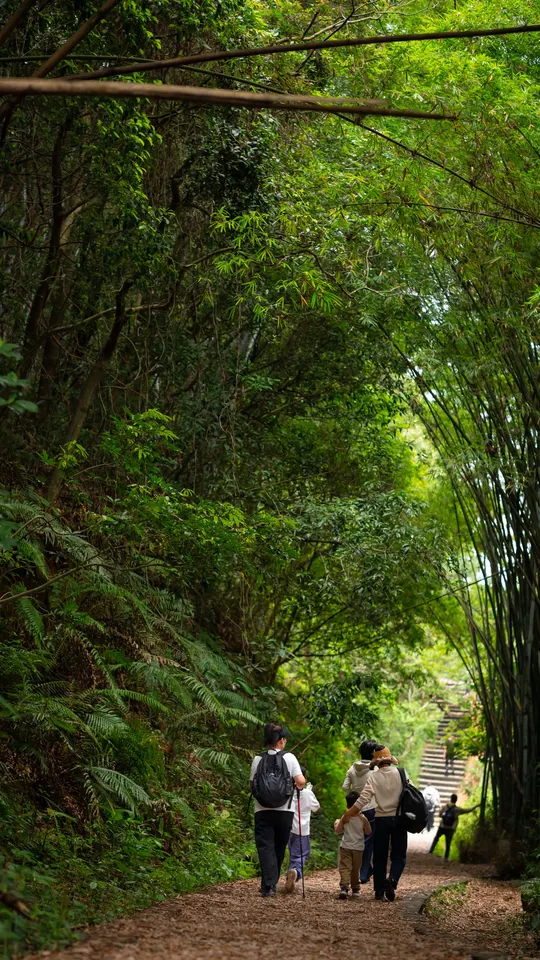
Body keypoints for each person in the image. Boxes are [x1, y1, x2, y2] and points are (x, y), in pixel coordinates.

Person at [342, 745, 406, 902]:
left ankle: (379, 891)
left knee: (379, 856)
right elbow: (410, 793)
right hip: (399, 819)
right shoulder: (401, 773)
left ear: (376, 761)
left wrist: (348, 813)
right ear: (390, 760)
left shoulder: (374, 776)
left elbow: (363, 799)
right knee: (399, 855)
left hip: (381, 819)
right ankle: (392, 880)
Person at [250, 722, 305, 897]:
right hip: (285, 810)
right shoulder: (290, 758)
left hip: (262, 810)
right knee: (279, 846)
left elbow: (252, 786)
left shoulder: (258, 759)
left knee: (265, 846)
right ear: (281, 740)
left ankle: (268, 885)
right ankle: (270, 883)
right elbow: (301, 781)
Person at [342, 739, 381, 884]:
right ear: (373, 754)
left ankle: (365, 870)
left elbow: (345, 787)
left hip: (354, 809)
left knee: (356, 840)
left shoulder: (352, 768)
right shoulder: (376, 770)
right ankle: (363, 874)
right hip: (371, 808)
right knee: (367, 842)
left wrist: (355, 792)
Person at [285, 766, 320, 893]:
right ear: (303, 778)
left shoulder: (287, 792)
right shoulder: (307, 793)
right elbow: (317, 808)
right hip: (302, 830)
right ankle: (295, 872)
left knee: (293, 854)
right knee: (301, 854)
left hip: (288, 829)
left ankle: (290, 877)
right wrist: (309, 792)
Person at [334, 791, 372, 899]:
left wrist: (336, 823)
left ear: (347, 805)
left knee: (345, 868)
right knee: (356, 869)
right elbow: (369, 831)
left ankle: (344, 888)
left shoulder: (345, 817)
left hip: (346, 846)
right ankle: (355, 889)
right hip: (358, 848)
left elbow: (338, 831)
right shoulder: (363, 818)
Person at [430, 793, 480, 860]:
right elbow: (468, 810)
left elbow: (440, 815)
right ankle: (446, 857)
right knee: (448, 843)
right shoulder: (457, 809)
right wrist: (476, 806)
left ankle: (430, 851)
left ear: (450, 799)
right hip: (450, 828)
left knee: (436, 839)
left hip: (442, 826)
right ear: (456, 800)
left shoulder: (445, 807)